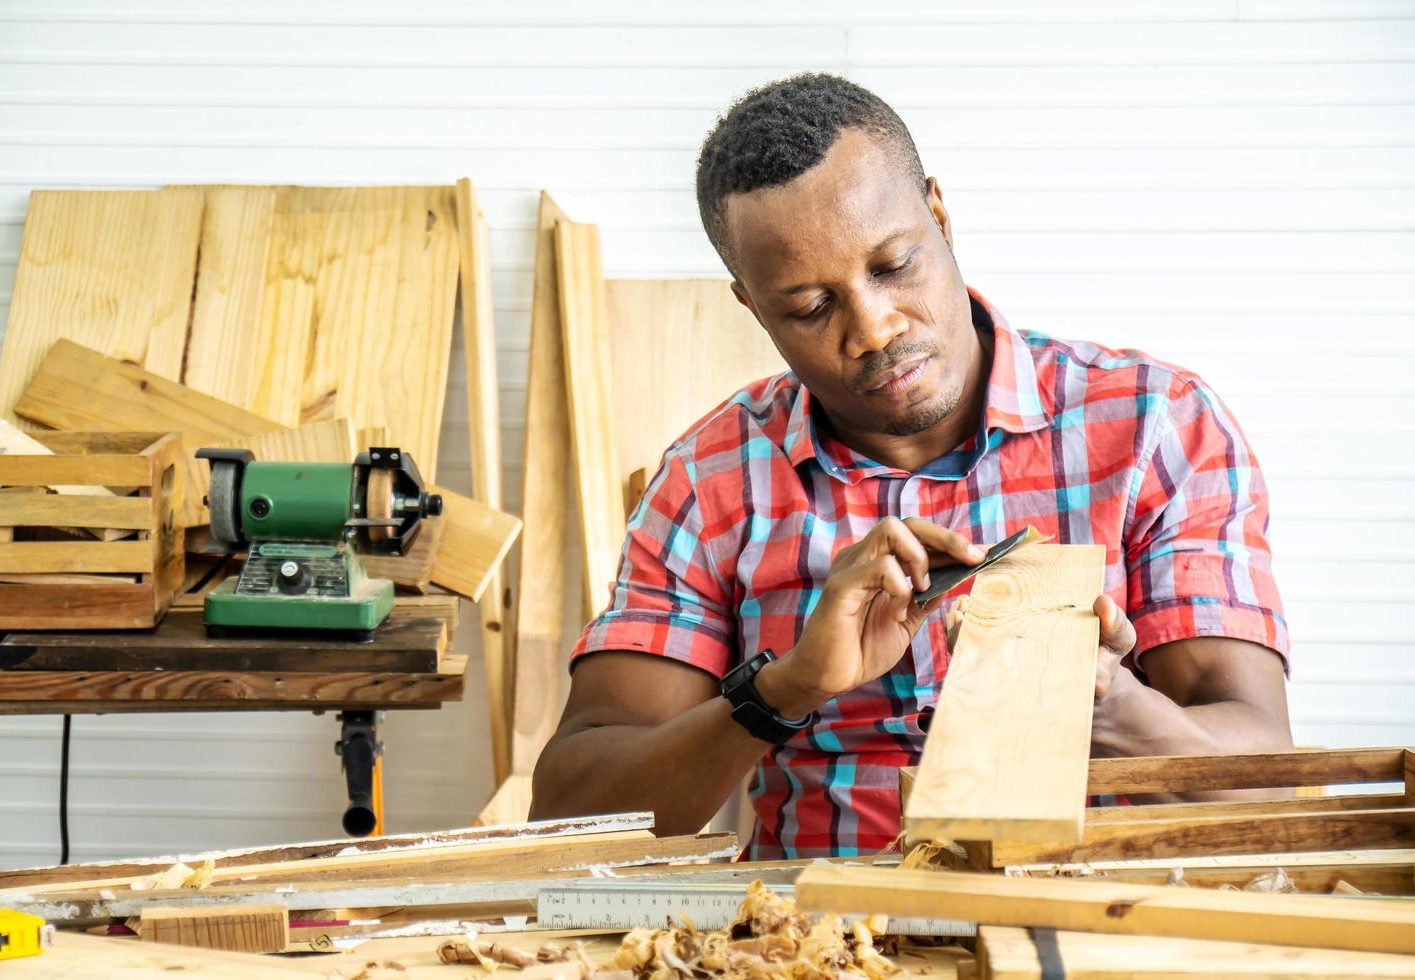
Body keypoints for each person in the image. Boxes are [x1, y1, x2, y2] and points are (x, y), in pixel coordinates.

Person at [531, 73, 1293, 858]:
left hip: (1104, 928)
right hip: (817, 938)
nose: (873, 328)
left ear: (938, 214)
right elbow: (571, 816)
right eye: (809, 307)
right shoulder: (710, 478)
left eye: (893, 265)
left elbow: (1274, 793)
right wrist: (786, 687)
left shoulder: (1155, 429)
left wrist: (1106, 705)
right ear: (752, 307)